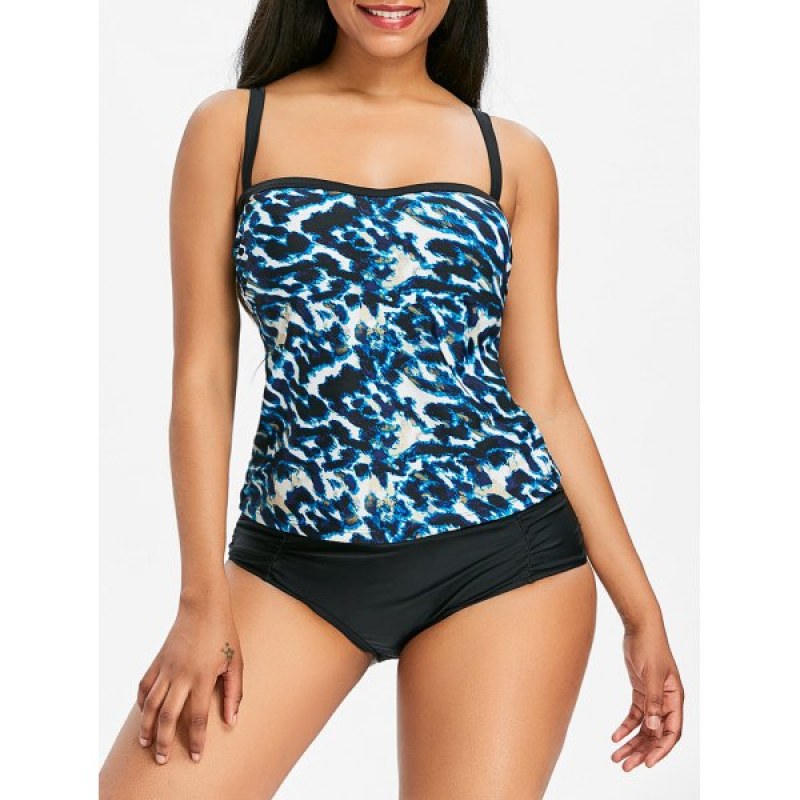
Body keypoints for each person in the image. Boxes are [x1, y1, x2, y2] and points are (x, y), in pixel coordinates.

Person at [100, 1, 685, 797]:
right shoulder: (233, 129)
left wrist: (641, 612)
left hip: (502, 560)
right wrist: (202, 600)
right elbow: (202, 376)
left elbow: (544, 393)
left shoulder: (510, 157)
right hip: (296, 563)